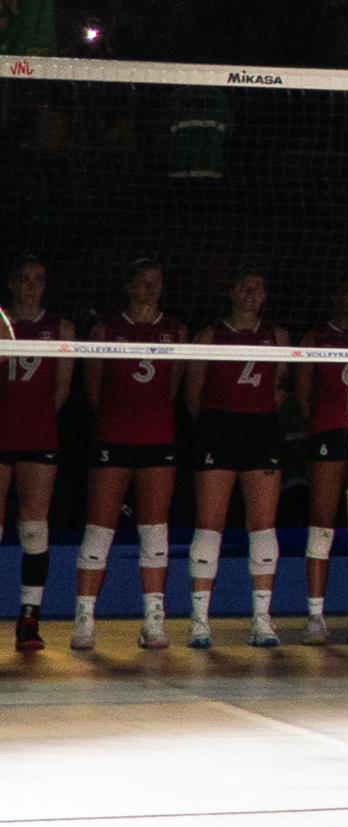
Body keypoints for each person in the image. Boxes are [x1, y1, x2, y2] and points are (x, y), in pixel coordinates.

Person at [74, 255, 184, 650]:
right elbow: (94, 389)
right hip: (113, 436)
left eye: (156, 282)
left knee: (154, 530)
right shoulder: (106, 330)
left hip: (157, 438)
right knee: (99, 528)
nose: (150, 289)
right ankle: (84, 620)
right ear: (128, 285)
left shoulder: (175, 331)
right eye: (142, 281)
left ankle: (153, 620)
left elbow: (173, 389)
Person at [181, 270, 293, 647]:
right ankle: (200, 621)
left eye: (258, 289)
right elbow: (194, 392)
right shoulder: (210, 335)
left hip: (260, 428)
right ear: (230, 291)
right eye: (244, 287)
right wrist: (214, 426)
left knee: (262, 525)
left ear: (265, 296)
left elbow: (279, 388)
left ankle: (261, 619)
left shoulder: (278, 336)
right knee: (209, 523)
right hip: (219, 427)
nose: (250, 294)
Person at [292, 277, 348, 640]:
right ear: (335, 297)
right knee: (322, 524)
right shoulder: (316, 338)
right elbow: (304, 395)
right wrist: (319, 429)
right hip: (327, 434)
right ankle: (315, 617)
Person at [3, 255, 72, 652]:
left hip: (38, 434)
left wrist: (35, 420)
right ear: (12, 284)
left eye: (39, 279)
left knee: (33, 525)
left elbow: (60, 391)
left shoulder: (60, 328)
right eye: (25, 279)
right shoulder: (1, 321)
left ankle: (29, 618)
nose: (32, 286)